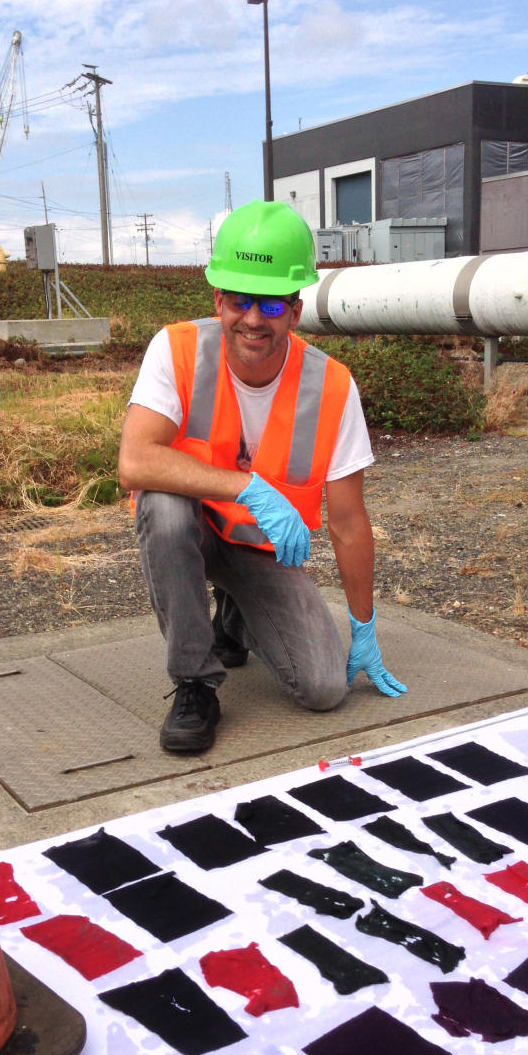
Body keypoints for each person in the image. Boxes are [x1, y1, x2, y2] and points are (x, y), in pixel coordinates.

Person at [118, 199, 406, 754]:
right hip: (194, 528)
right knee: (163, 504)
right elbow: (134, 462)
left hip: (255, 550)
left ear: (295, 312)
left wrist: (364, 626)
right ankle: (195, 683)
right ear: (218, 301)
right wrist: (244, 486)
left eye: (271, 304)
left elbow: (348, 522)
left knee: (322, 686)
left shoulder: (333, 386)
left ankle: (234, 616)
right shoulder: (176, 349)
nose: (254, 319)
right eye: (240, 300)